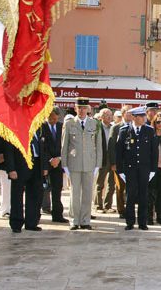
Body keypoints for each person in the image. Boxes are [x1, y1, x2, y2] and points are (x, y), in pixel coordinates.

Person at [61, 97, 103, 230]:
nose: (82, 110)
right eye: (79, 108)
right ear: (75, 108)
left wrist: (98, 164)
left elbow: (99, 145)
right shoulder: (69, 124)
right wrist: (64, 165)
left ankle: (85, 220)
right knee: (75, 193)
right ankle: (74, 220)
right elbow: (64, 145)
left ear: (88, 109)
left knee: (87, 193)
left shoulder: (95, 124)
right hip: (74, 163)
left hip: (90, 163)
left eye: (84, 108)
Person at [116, 106, 158, 230]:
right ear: (134, 117)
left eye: (144, 116)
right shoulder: (124, 131)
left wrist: (153, 169)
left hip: (144, 169)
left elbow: (154, 152)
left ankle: (142, 222)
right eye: (141, 116)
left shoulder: (149, 131)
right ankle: (129, 222)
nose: (144, 118)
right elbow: (119, 153)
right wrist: (120, 170)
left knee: (143, 196)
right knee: (130, 196)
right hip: (130, 169)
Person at [6, 132, 45, 233]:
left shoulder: (38, 127)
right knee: (17, 195)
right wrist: (11, 169)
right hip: (20, 166)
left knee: (35, 194)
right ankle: (16, 223)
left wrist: (44, 166)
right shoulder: (16, 128)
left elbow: (43, 147)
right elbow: (9, 149)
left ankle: (31, 223)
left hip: (36, 164)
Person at [40, 107, 68, 223]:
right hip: (46, 163)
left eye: (55, 118)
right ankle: (42, 210)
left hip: (58, 163)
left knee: (57, 189)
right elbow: (42, 146)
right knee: (43, 189)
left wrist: (59, 158)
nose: (53, 121)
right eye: (51, 118)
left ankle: (57, 215)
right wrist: (50, 159)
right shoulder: (41, 127)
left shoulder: (62, 127)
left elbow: (65, 144)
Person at [108, 105, 132, 219]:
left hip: (131, 163)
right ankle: (121, 210)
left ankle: (130, 208)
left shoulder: (134, 126)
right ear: (123, 114)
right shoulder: (116, 127)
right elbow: (112, 146)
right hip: (119, 163)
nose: (130, 114)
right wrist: (113, 163)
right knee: (120, 187)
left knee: (130, 187)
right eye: (127, 112)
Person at [147, 112, 161, 225]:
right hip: (152, 168)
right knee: (151, 192)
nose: (160, 124)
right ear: (154, 123)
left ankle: (159, 216)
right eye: (158, 122)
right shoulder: (150, 134)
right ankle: (149, 216)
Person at [95, 108, 115, 213]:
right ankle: (99, 205)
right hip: (102, 157)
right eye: (107, 115)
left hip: (112, 158)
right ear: (102, 116)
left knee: (112, 183)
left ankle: (108, 205)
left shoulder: (113, 128)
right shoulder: (97, 127)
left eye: (110, 115)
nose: (109, 117)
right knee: (100, 183)